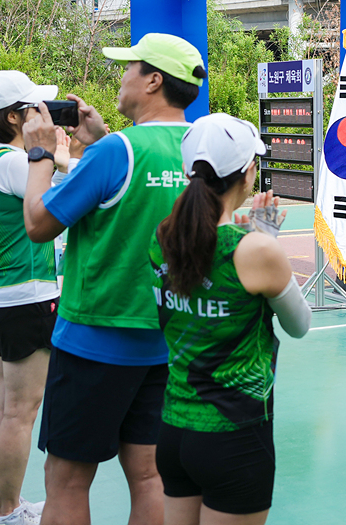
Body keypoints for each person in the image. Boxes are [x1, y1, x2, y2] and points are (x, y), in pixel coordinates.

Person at [21, 33, 207, 525]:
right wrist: (102, 139)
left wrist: (40, 154)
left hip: (93, 342)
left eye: (129, 67)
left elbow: (40, 225)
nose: (120, 77)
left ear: (152, 80)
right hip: (167, 342)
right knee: (149, 477)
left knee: (65, 479)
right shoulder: (198, 150)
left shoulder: (117, 152)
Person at [150, 113, 312, 524]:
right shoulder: (255, 250)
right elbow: (299, 325)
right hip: (234, 436)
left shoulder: (164, 237)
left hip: (174, 430)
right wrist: (266, 238)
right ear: (245, 174)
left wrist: (258, 238)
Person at [0, 73, 71, 525]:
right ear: (12, 118)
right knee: (20, 413)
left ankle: (3, 503)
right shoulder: (13, 162)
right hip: (27, 296)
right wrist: (59, 158)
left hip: (3, 298)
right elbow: (62, 198)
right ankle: (8, 510)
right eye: (33, 110)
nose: (42, 116)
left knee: (4, 409)